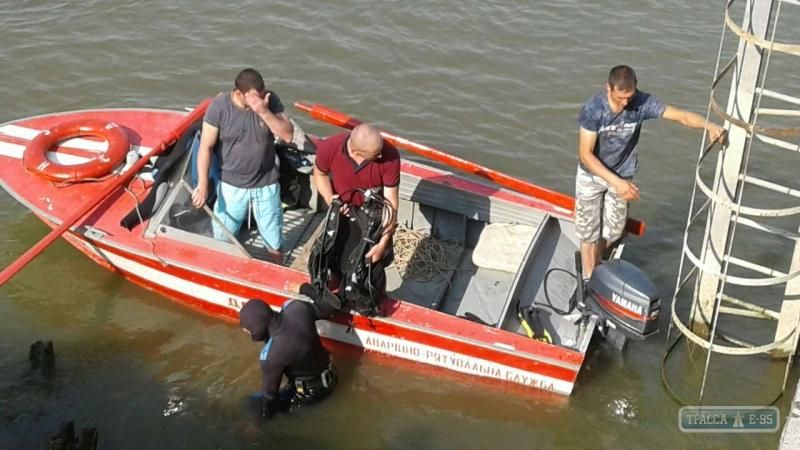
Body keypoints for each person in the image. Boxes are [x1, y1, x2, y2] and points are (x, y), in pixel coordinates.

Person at [576, 65, 727, 278]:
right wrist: (616, 182)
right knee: (588, 232)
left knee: (615, 230)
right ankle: (589, 278)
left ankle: (593, 259)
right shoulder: (594, 109)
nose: (626, 103)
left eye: (630, 97)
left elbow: (681, 116)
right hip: (592, 175)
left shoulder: (642, 103)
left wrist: (709, 125)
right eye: (620, 98)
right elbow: (585, 154)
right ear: (608, 89)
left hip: (622, 175)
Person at [191, 68, 294, 261]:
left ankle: (276, 271)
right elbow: (205, 147)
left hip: (266, 184)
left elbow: (288, 135)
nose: (262, 100)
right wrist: (202, 185)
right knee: (222, 237)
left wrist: (263, 111)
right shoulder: (219, 107)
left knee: (274, 241)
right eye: (255, 97)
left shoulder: (269, 101)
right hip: (231, 186)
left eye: (263, 95)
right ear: (239, 93)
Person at [311, 123, 400, 314]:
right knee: (337, 253)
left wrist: (383, 242)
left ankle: (372, 298)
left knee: (371, 262)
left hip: (373, 212)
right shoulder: (329, 147)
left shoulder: (390, 155)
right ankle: (336, 288)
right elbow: (319, 173)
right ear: (357, 151)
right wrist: (329, 198)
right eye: (376, 154)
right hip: (343, 209)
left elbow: (391, 202)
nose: (381, 156)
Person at [239, 297, 336, 420]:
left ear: (257, 331)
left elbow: (269, 398)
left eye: (249, 330)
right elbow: (326, 310)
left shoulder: (271, 356)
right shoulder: (297, 307)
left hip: (309, 395)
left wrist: (257, 425)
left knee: (251, 402)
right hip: (332, 375)